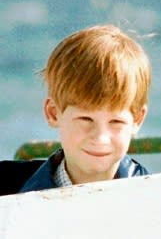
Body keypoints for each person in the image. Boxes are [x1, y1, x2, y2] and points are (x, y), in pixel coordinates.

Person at [0, 25, 151, 195]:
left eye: (116, 121)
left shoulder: (157, 200)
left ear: (137, 120)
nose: (100, 138)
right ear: (53, 113)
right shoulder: (9, 195)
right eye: (86, 119)